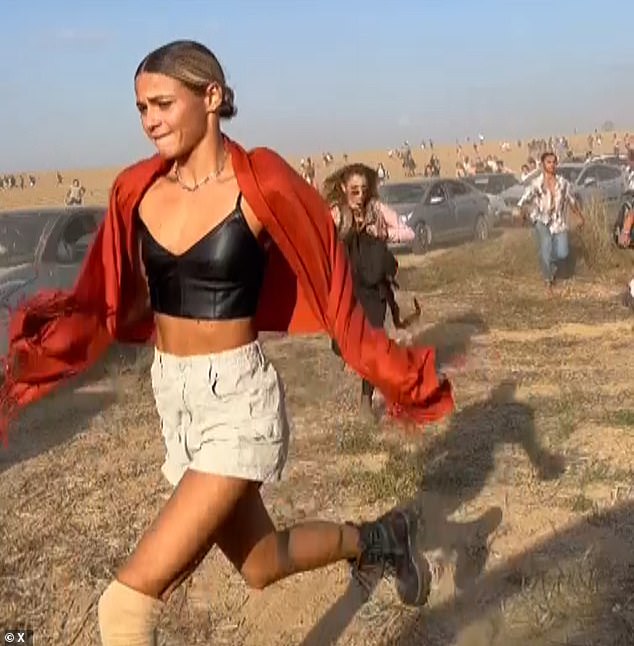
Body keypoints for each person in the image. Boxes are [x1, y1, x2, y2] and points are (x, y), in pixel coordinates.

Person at [0, 41, 454, 646]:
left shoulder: (258, 178)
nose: (150, 120)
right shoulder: (137, 190)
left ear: (211, 97)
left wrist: (388, 364)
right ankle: (380, 538)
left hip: (237, 400)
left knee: (124, 606)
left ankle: (379, 539)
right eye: (140, 108)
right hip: (175, 400)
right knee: (261, 562)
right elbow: (106, 297)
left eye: (163, 103)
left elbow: (329, 278)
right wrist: (43, 355)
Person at [518, 151, 585, 291]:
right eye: (549, 162)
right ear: (543, 164)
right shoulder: (536, 183)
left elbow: (571, 201)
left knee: (562, 252)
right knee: (546, 244)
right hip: (541, 220)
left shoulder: (563, 183)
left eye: (554, 162)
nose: (552, 164)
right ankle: (548, 279)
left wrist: (579, 216)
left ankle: (549, 262)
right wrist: (522, 214)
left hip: (558, 222)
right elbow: (524, 200)